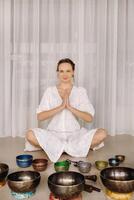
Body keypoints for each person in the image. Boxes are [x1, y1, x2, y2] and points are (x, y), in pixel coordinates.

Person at [25, 58, 107, 162]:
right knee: (29, 135)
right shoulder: (50, 91)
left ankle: (58, 149)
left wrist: (70, 108)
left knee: (102, 133)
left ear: (73, 72)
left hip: (75, 135)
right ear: (57, 73)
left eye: (68, 71)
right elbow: (40, 117)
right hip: (53, 135)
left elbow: (89, 118)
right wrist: (60, 107)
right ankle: (72, 148)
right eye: (61, 71)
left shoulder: (80, 91)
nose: (65, 74)